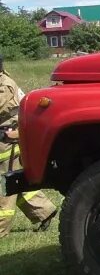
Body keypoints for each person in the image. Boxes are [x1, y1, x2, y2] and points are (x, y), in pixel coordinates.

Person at [0, 55, 57, 238]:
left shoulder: (4, 85)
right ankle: (45, 211)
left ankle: (1, 229)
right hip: (7, 141)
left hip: (7, 143)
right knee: (17, 184)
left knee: (4, 187)